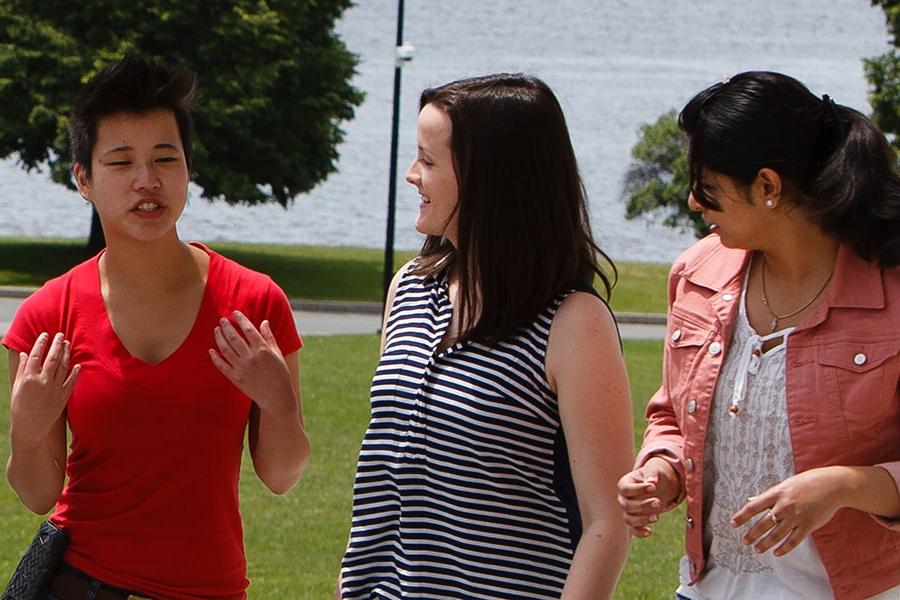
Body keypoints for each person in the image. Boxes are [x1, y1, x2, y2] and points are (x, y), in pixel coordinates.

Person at [3, 55, 310, 599]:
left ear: (188, 168)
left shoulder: (254, 303)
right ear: (84, 180)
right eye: (121, 163)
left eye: (165, 158)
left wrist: (279, 400)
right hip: (83, 583)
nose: (147, 181)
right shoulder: (47, 316)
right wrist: (26, 430)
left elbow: (281, 475)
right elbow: (37, 493)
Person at [338, 73, 633, 599]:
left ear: (489, 178)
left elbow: (606, 523)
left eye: (428, 160)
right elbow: (383, 488)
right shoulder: (408, 288)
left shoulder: (573, 322)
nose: (411, 175)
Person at [617, 71, 900, 600]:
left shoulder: (892, 297)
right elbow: (674, 418)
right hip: (704, 589)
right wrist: (661, 471)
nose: (693, 202)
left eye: (708, 188)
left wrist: (844, 487)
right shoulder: (696, 274)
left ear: (768, 187)